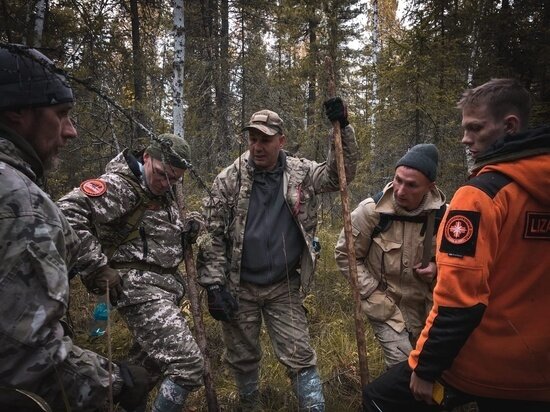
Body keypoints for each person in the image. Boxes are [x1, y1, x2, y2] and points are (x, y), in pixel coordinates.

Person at [363, 78, 550, 412]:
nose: (465, 139)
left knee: (379, 398)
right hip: (538, 370)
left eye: (475, 128)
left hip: (484, 361)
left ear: (509, 126)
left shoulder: (480, 196)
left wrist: (425, 367)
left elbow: (460, 300)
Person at [0, 44, 149, 412]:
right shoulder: (22, 206)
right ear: (18, 111)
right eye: (61, 114)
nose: (71, 131)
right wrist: (116, 382)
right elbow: (28, 361)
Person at [196, 100, 359, 411]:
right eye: (253, 139)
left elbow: (339, 176)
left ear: (281, 141)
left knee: (299, 354)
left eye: (265, 140)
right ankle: (249, 405)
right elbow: (211, 235)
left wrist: (343, 129)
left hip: (283, 285)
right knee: (242, 357)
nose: (258, 147)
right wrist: (214, 286)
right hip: (238, 285)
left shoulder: (300, 172)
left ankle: (314, 407)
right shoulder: (229, 179)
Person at [57, 132, 205, 412]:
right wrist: (96, 265)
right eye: (162, 175)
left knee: (142, 375)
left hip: (166, 289)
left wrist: (192, 224)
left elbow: (160, 224)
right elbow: (65, 213)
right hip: (140, 290)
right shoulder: (118, 187)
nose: (166, 184)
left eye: (174, 179)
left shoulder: (164, 189)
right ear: (146, 157)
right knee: (188, 365)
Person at [335, 144, 446, 369]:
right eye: (398, 180)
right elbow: (346, 255)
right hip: (385, 306)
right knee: (402, 367)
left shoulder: (446, 217)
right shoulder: (371, 212)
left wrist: (437, 269)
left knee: (430, 367)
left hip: (426, 309)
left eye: (411, 185)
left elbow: (459, 264)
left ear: (430, 187)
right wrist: (371, 293)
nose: (400, 190)